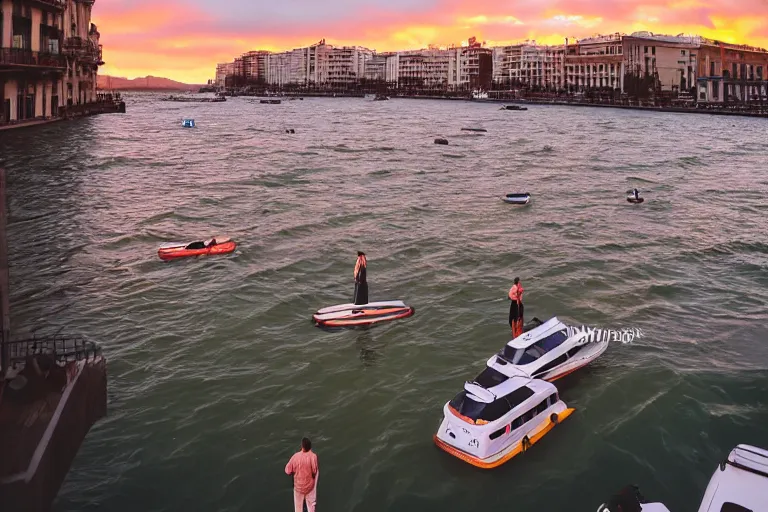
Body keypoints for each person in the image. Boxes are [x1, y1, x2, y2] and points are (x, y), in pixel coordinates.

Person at [285, 437, 318, 512]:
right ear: (310, 446)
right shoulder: (313, 456)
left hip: (298, 487)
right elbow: (315, 471)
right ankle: (311, 505)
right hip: (309, 487)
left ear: (302, 446)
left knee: (298, 507)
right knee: (316, 475)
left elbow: (287, 471)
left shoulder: (295, 456)